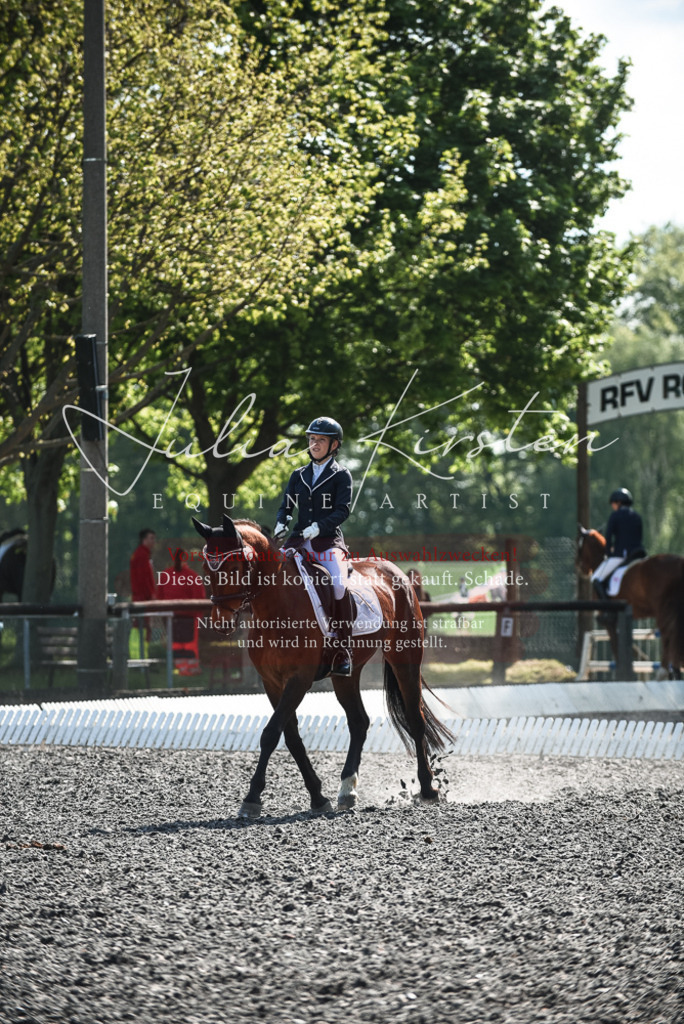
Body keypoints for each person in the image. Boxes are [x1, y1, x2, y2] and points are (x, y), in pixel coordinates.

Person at [273, 417, 354, 676]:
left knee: (338, 584)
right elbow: (286, 505)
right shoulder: (298, 475)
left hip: (327, 541)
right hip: (298, 540)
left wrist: (319, 527)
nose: (314, 444)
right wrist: (281, 522)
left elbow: (343, 510)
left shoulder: (341, 475)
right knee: (270, 576)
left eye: (320, 440)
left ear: (334, 445)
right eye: (311, 439)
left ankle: (342, 649)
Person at [591, 488, 644, 600]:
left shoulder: (615, 516)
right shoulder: (637, 516)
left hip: (621, 555)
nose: (612, 506)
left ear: (618, 502)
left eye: (613, 503)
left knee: (596, 579)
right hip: (639, 554)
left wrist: (608, 553)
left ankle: (607, 607)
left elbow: (609, 536)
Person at [130, 528, 157, 645]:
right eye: (151, 538)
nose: (154, 541)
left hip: (140, 597)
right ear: (144, 540)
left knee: (140, 625)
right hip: (143, 599)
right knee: (143, 626)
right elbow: (143, 578)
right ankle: (140, 651)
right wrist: (151, 595)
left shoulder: (141, 554)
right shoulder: (142, 555)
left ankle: (139, 650)